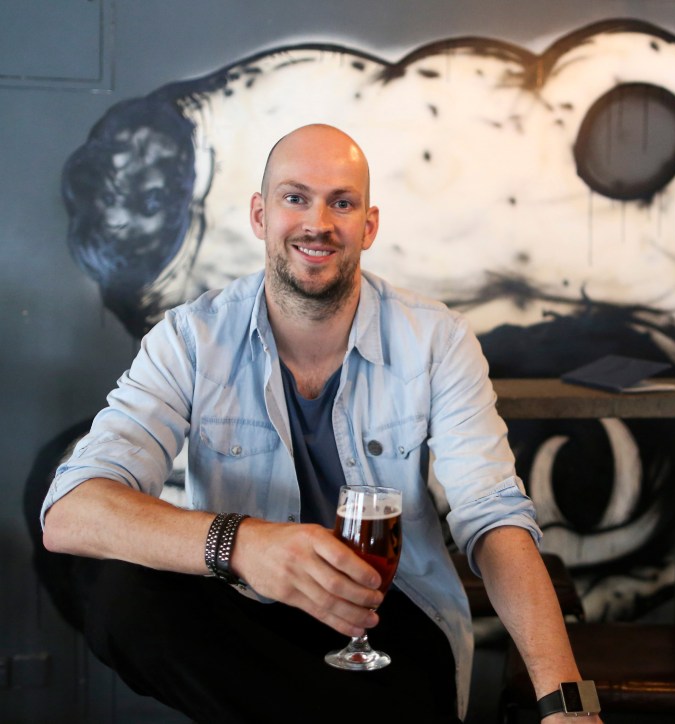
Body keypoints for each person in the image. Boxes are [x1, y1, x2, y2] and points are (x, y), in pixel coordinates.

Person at [42, 124, 602, 723]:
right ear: (261, 215)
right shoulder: (190, 338)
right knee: (123, 597)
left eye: (342, 202)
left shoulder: (436, 338)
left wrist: (564, 702)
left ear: (369, 225)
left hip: (390, 620)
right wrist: (241, 543)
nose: (318, 223)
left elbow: (493, 518)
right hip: (251, 617)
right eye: (295, 197)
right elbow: (70, 511)